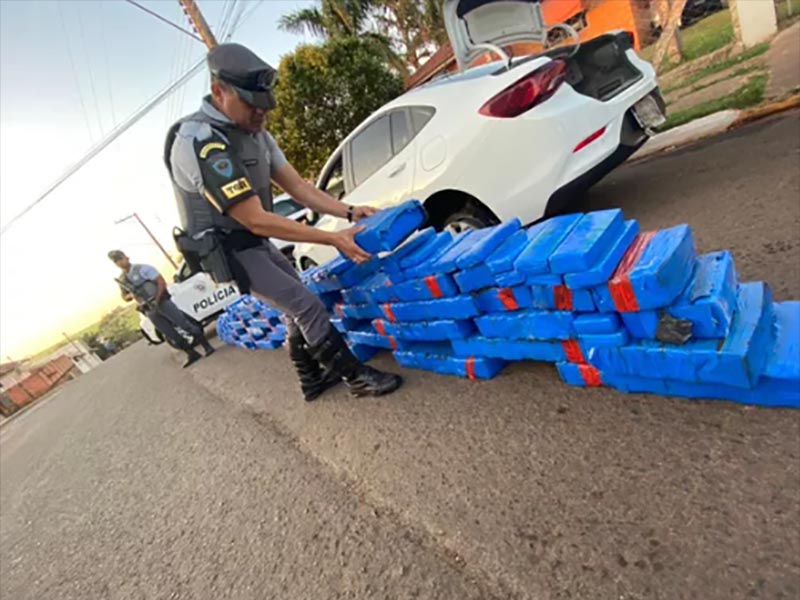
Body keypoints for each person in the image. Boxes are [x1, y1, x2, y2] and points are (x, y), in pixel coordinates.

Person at [165, 43, 402, 401]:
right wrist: (334, 239)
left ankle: (310, 380)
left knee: (294, 307)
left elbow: (298, 188)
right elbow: (255, 219)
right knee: (304, 304)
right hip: (231, 248)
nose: (262, 113)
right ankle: (356, 378)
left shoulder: (256, 134)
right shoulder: (199, 142)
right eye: (251, 104)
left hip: (253, 240)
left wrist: (350, 212)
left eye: (265, 104)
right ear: (219, 92)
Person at [108, 250, 215, 367]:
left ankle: (207, 346)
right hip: (149, 309)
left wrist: (157, 299)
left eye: (120, 258)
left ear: (126, 257)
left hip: (162, 302)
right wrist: (131, 294)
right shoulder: (123, 279)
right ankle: (191, 353)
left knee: (184, 324)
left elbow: (160, 282)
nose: (120, 262)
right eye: (116, 261)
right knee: (170, 334)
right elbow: (124, 296)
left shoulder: (142, 269)